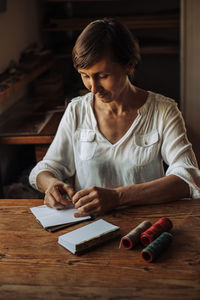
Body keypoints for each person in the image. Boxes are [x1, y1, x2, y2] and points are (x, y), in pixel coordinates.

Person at [29, 18, 200, 217]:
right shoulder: (77, 110)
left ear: (129, 66)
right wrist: (51, 184)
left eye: (102, 76)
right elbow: (46, 168)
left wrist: (118, 197)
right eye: (85, 75)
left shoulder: (163, 111)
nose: (93, 88)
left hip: (146, 227)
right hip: (87, 227)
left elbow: (188, 176)